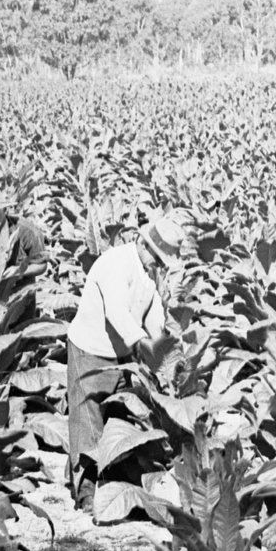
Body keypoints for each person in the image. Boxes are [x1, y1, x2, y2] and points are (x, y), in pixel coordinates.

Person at [65, 214, 183, 510]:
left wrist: (166, 351)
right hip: (90, 349)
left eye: (162, 261)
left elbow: (153, 311)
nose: (158, 265)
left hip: (120, 355)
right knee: (87, 422)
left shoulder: (147, 269)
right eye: (157, 257)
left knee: (118, 420)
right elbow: (116, 314)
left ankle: (114, 488)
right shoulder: (114, 263)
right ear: (141, 243)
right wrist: (145, 345)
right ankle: (86, 493)